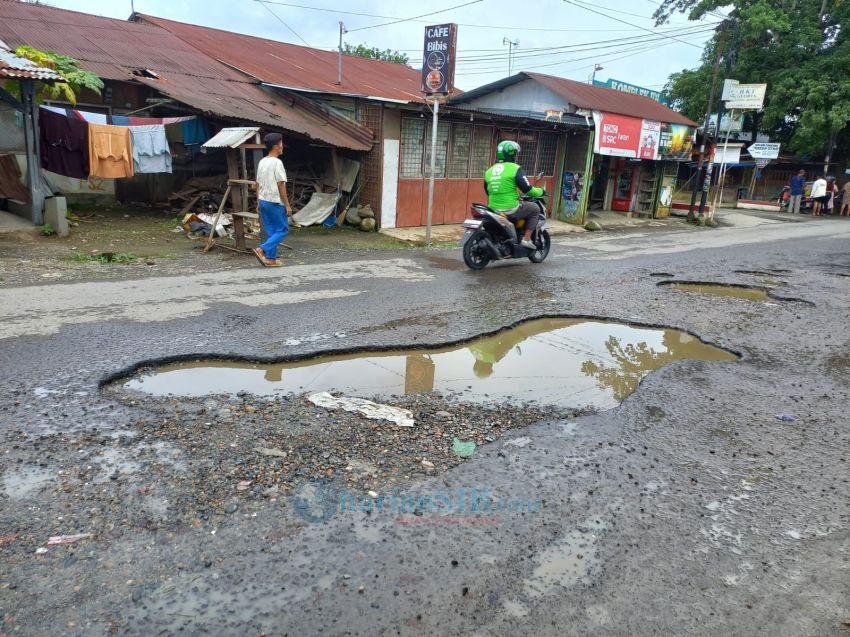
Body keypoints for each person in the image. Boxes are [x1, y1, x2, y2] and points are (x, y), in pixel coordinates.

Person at [484, 140, 545, 251]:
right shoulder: (515, 168)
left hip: (492, 209)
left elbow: (487, 191)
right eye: (516, 153)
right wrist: (541, 192)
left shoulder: (489, 171)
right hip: (509, 208)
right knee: (535, 209)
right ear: (512, 154)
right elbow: (527, 189)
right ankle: (526, 239)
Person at [252, 132, 292, 267]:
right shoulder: (277, 163)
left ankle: (271, 258)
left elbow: (257, 183)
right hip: (275, 201)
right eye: (281, 144)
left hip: (263, 201)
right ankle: (261, 249)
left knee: (272, 232)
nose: (283, 147)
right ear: (276, 146)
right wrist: (287, 205)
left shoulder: (262, 162)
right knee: (282, 230)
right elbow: (281, 184)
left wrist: (258, 202)